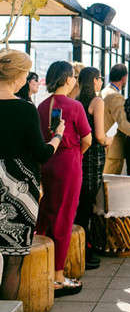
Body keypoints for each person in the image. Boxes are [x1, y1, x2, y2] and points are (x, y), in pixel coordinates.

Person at [0, 50, 64, 312]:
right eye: (26, 76)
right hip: (19, 191)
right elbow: (41, 154)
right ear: (16, 77)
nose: (27, 80)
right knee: (13, 261)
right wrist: (58, 136)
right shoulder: (24, 109)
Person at [36, 61, 92, 297]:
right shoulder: (74, 105)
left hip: (47, 162)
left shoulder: (41, 105)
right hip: (68, 163)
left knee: (48, 213)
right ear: (68, 79)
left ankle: (44, 267)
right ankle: (58, 276)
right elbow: (87, 139)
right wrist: (76, 154)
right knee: (64, 217)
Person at [75, 67, 112, 269]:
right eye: (100, 78)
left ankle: (78, 250)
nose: (101, 81)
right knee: (87, 207)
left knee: (79, 205)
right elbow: (98, 135)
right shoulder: (97, 101)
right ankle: (84, 253)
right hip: (93, 157)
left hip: (78, 156)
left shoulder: (76, 100)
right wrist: (108, 140)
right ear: (94, 80)